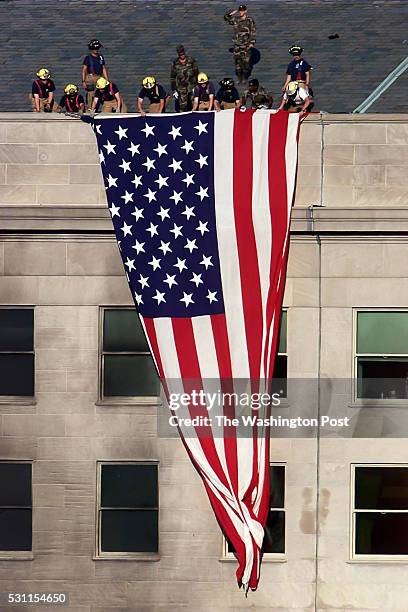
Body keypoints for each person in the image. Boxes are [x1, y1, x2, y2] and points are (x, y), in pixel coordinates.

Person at [224, 4, 256, 83]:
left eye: (242, 11)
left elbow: (253, 32)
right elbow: (226, 18)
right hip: (237, 45)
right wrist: (232, 13)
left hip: (246, 45)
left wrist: (252, 43)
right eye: (240, 11)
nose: (241, 12)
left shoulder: (249, 20)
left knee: (246, 63)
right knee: (237, 63)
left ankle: (245, 77)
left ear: (245, 11)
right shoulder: (236, 19)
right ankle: (239, 78)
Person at [170, 44, 199, 112]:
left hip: (192, 86)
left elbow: (196, 73)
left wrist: (197, 86)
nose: (182, 55)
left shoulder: (191, 60)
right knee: (182, 106)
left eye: (183, 53)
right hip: (181, 88)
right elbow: (173, 77)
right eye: (180, 54)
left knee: (194, 104)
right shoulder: (175, 62)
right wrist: (174, 89)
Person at [82, 39, 108, 108]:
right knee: (91, 93)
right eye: (94, 48)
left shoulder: (100, 57)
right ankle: (90, 108)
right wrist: (83, 81)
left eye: (97, 48)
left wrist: (106, 79)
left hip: (99, 77)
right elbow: (84, 69)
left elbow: (103, 68)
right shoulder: (88, 58)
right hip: (90, 77)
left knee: (102, 92)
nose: (96, 50)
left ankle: (105, 107)